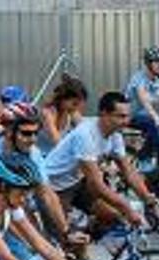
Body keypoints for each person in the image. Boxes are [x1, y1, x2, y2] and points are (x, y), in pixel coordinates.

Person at [0, 101, 80, 260]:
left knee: (50, 256)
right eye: (26, 133)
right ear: (9, 132)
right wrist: (30, 243)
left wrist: (66, 231)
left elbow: (47, 194)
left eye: (36, 133)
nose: (33, 139)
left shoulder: (32, 153)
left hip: (13, 209)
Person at [44, 91, 157, 246]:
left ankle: (86, 235)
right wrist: (128, 208)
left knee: (113, 216)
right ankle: (69, 246)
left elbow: (129, 172)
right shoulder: (86, 135)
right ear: (104, 114)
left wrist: (149, 199)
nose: (126, 121)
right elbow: (96, 185)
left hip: (76, 182)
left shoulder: (115, 135)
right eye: (121, 116)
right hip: (53, 187)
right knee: (66, 241)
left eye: (127, 116)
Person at [125, 46, 159, 166]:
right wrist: (156, 117)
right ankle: (147, 159)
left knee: (152, 124)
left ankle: (142, 156)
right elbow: (144, 100)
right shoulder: (139, 78)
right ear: (148, 64)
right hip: (130, 116)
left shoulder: (156, 81)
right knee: (152, 123)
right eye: (157, 62)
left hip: (146, 117)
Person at [38, 73, 87, 155]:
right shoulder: (48, 113)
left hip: (56, 156)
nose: (76, 108)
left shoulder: (72, 113)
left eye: (78, 104)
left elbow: (86, 134)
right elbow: (59, 144)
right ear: (63, 99)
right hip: (42, 156)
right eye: (74, 104)